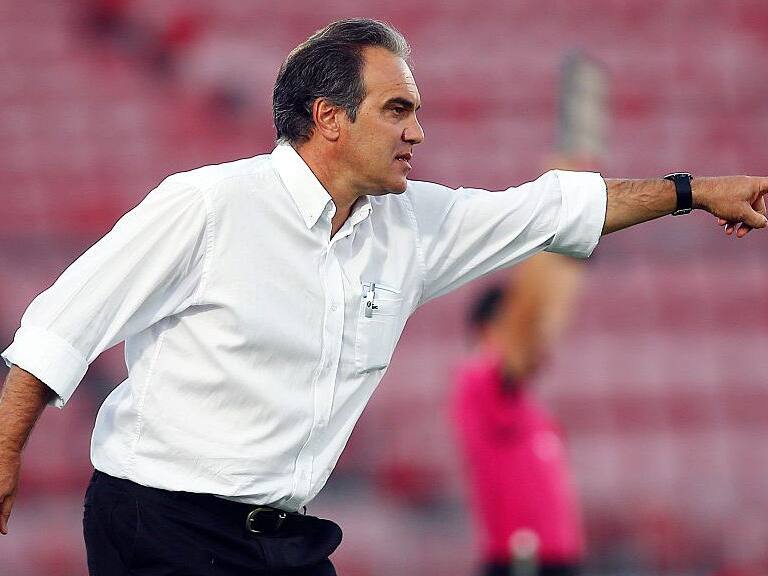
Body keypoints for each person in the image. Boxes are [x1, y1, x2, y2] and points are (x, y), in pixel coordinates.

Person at [0, 17, 766, 576]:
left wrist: (694, 191)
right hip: (159, 522)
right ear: (329, 120)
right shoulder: (209, 205)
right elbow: (59, 328)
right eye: (397, 109)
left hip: (284, 538)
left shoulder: (412, 224)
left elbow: (556, 208)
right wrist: (4, 460)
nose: (419, 133)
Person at [453, 253, 587, 576]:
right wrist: (566, 255)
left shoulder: (523, 402)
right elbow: (526, 333)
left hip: (554, 556)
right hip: (522, 558)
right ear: (489, 328)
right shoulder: (479, 380)